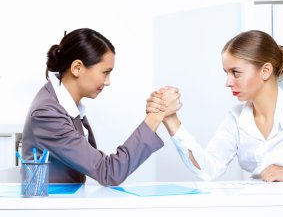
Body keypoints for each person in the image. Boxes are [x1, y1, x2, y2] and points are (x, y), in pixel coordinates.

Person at [146, 30, 283, 182]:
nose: (228, 82)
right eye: (226, 73)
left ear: (265, 71)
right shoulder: (236, 118)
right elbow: (209, 170)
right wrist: (171, 119)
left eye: (236, 72)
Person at [22, 28, 181, 186]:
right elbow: (109, 172)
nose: (107, 82)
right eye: (105, 72)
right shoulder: (47, 113)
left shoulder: (62, 104)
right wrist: (156, 115)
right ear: (77, 67)